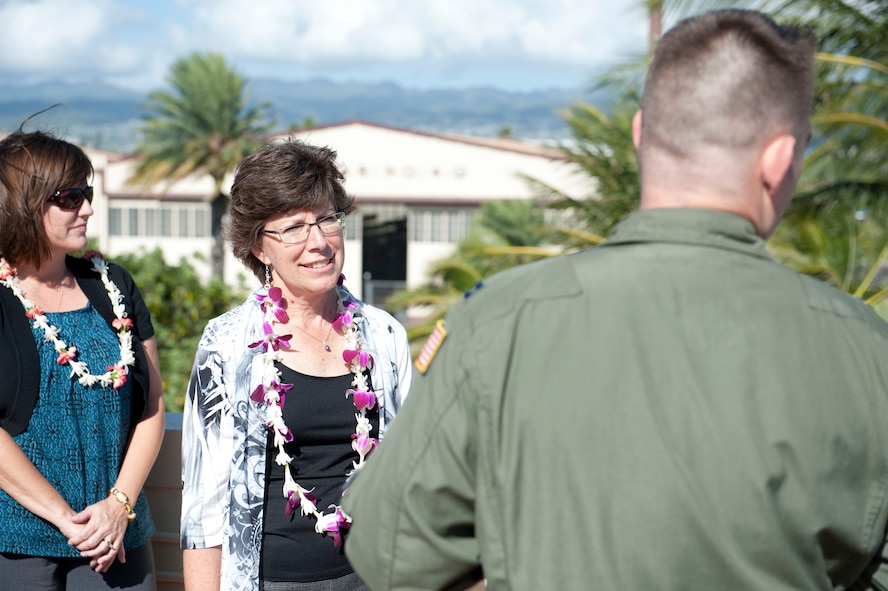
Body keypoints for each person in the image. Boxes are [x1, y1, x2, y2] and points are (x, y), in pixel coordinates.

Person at [342, 9, 888, 591]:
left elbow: (389, 550)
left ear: (638, 133)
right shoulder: (865, 349)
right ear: (780, 161)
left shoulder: (502, 321)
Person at [180, 138, 413, 591]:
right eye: (293, 228)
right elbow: (203, 503)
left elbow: (411, 465)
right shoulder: (227, 344)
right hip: (272, 580)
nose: (318, 242)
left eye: (327, 219)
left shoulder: (384, 335)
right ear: (260, 249)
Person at [0, 127, 165, 590]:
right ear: (26, 204)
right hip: (16, 546)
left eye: (86, 194)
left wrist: (119, 507)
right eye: (69, 198)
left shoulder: (112, 285)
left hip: (120, 542)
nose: (87, 209)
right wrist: (66, 519)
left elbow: (152, 405)